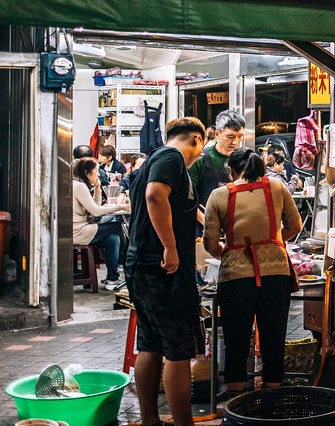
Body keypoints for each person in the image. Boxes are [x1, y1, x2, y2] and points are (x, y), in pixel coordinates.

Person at [125, 116, 206, 426]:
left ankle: (150, 420)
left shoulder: (155, 160)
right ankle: (183, 423)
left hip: (143, 264)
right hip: (159, 267)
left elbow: (167, 202)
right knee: (177, 348)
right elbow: (155, 196)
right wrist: (170, 248)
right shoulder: (171, 157)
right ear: (197, 140)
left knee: (150, 343)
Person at [203, 148, 301, 395]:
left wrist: (227, 252)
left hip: (235, 276)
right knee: (274, 336)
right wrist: (274, 241)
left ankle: (236, 396)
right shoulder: (277, 187)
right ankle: (272, 394)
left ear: (231, 170)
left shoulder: (218, 195)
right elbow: (295, 225)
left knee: (236, 339)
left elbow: (210, 243)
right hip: (276, 275)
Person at [71, 157, 129, 290]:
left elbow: (94, 207)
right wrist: (120, 207)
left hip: (83, 229)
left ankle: (111, 279)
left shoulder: (80, 184)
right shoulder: (79, 186)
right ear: (87, 172)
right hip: (78, 231)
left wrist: (97, 187)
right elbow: (97, 211)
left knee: (113, 239)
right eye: (96, 171)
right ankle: (121, 263)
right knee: (116, 226)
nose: (98, 174)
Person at [189, 109, 245, 235]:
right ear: (216, 134)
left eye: (240, 137)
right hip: (203, 230)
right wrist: (210, 225)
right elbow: (188, 200)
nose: (235, 142)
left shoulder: (245, 159)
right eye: (230, 137)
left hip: (238, 229)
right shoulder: (200, 160)